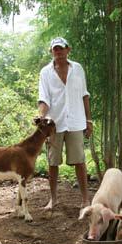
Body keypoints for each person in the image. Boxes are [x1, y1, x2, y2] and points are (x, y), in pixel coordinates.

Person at [38, 37, 92, 209]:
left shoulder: (78, 69)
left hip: (76, 120)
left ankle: (85, 199)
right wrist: (41, 119)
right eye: (55, 49)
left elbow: (84, 94)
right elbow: (44, 99)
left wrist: (88, 120)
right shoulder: (45, 73)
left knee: (80, 161)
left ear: (68, 50)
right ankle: (53, 199)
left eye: (61, 48)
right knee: (53, 162)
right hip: (54, 123)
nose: (58, 52)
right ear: (51, 51)